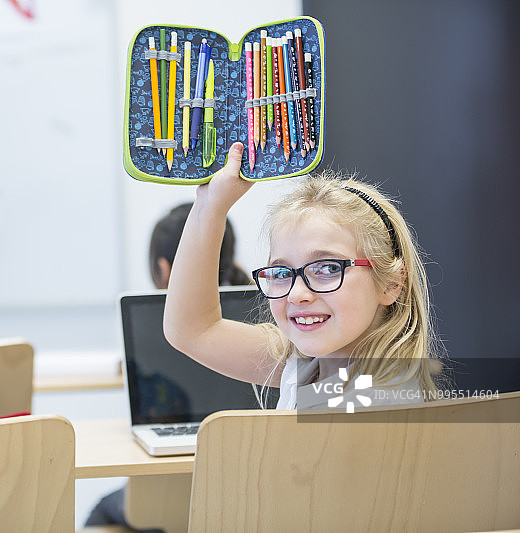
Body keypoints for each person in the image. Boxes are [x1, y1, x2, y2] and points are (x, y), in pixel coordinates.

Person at [164, 142, 443, 410]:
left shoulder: (375, 401)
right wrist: (211, 203)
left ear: (392, 283)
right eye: (282, 272)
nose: (297, 294)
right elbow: (192, 330)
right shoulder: (307, 365)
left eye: (328, 268)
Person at [84, 202, 250, 531]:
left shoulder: (158, 326)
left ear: (163, 269)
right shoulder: (264, 314)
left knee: (106, 509)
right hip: (246, 491)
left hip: (168, 498)